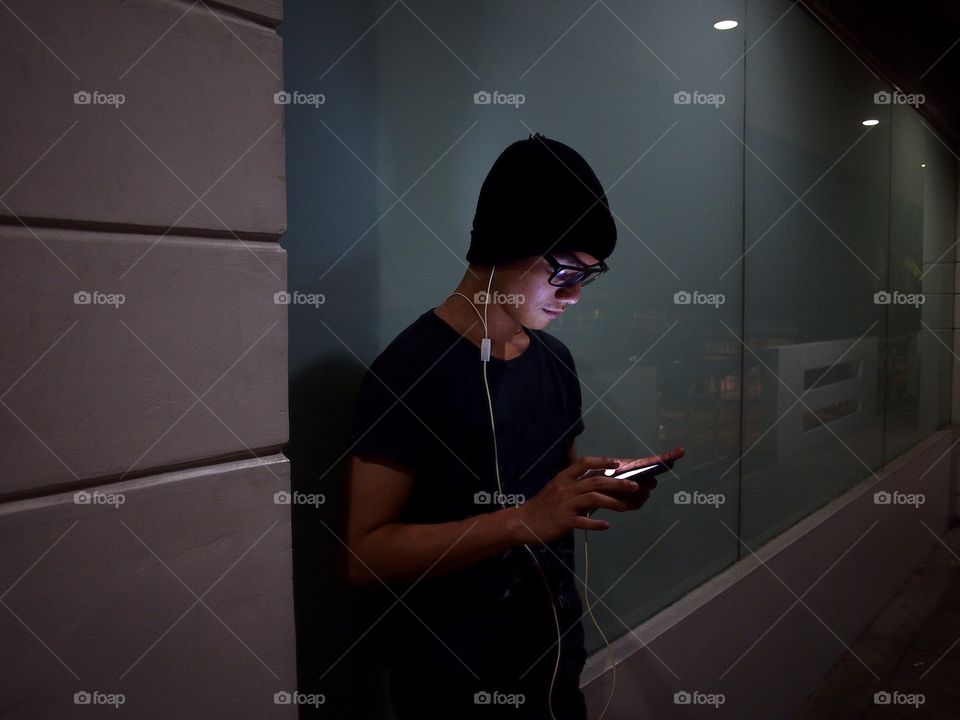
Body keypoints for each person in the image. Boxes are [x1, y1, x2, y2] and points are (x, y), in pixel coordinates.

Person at [344, 134, 658, 719]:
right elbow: (365, 555)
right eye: (564, 271)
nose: (574, 296)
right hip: (452, 683)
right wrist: (520, 521)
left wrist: (599, 487)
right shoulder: (410, 370)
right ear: (503, 245)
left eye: (588, 277)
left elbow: (554, 491)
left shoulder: (555, 361)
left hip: (554, 661)